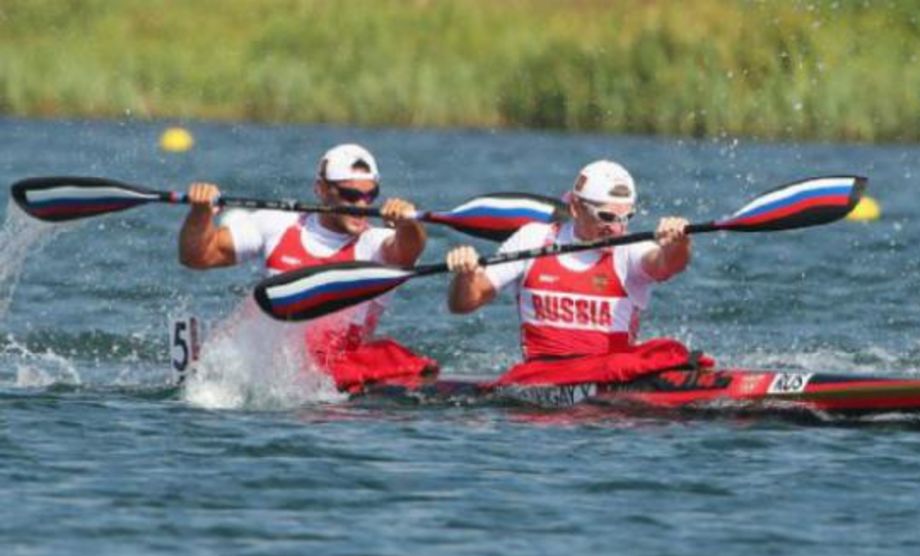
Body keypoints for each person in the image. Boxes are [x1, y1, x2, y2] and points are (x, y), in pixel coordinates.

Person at [178, 143, 436, 388]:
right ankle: (212, 359)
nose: (362, 205)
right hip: (269, 367)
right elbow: (197, 257)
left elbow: (408, 251)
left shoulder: (374, 245)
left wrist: (408, 223)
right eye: (351, 195)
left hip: (335, 376)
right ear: (321, 189)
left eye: (371, 196)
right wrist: (200, 214)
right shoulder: (277, 224)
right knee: (251, 309)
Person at [445, 159, 713, 385]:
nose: (617, 228)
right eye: (606, 217)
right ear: (575, 207)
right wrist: (465, 275)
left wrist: (679, 243)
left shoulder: (629, 249)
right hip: (543, 378)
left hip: (614, 379)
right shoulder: (533, 239)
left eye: (626, 218)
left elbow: (667, 264)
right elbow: (463, 304)